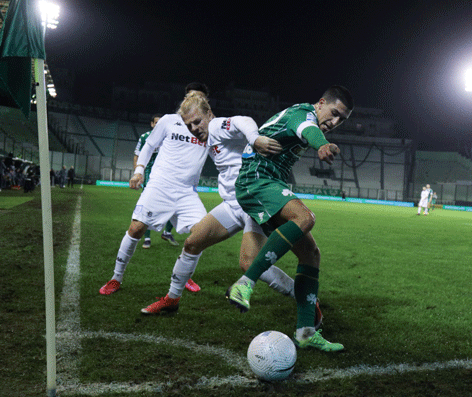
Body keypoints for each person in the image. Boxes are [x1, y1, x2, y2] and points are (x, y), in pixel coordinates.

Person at [139, 95, 322, 327]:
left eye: (197, 122)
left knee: (249, 264)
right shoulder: (205, 136)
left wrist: (255, 139)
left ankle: (305, 298)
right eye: (189, 125)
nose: (194, 129)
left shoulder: (216, 126)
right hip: (232, 204)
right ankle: (172, 299)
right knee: (191, 244)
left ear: (209, 114)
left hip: (252, 202)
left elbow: (242, 121)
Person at [226, 85, 353, 352]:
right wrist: (323, 145)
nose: (335, 122)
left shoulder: (307, 117)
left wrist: (323, 142)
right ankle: (245, 284)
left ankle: (306, 332)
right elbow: (308, 130)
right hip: (256, 181)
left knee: (311, 253)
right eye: (334, 113)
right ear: (320, 103)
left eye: (342, 119)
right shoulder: (303, 115)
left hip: (268, 184)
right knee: (305, 217)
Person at [99, 87, 211, 297]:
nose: (192, 99)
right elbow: (149, 145)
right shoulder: (169, 120)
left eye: (197, 97)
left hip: (187, 192)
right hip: (160, 186)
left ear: (205, 103)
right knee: (136, 229)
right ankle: (116, 278)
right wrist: (139, 171)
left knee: (202, 234)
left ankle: (183, 274)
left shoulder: (210, 128)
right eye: (189, 96)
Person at [133, 115, 179, 249]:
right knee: (148, 205)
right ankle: (147, 238)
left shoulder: (170, 136)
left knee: (175, 205)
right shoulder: (144, 137)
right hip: (150, 175)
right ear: (152, 124)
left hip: (168, 174)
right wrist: (138, 173)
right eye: (157, 123)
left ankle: (167, 232)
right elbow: (137, 156)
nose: (159, 125)